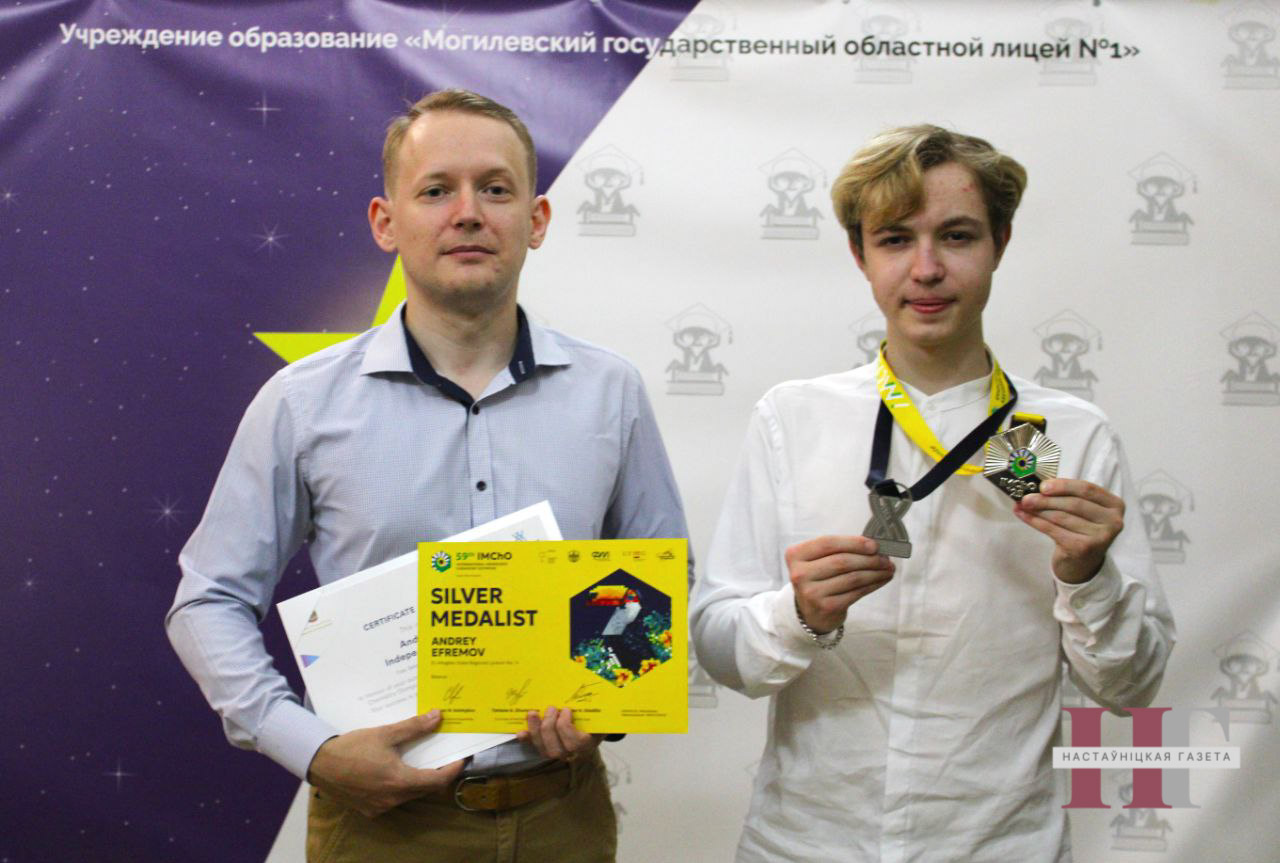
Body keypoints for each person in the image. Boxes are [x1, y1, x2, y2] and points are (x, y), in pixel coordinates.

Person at [166, 89, 689, 861]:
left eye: (496, 189)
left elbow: (661, 578)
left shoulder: (611, 392)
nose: (468, 213)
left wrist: (606, 702)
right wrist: (313, 749)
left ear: (537, 219)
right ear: (386, 221)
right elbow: (208, 599)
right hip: (379, 830)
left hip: (564, 818)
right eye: (437, 190)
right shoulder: (303, 403)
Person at [690, 125, 1174, 862]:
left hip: (1002, 848)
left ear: (1000, 244)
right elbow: (719, 650)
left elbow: (1132, 687)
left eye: (956, 236)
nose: (926, 269)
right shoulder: (793, 418)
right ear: (859, 255)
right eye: (894, 239)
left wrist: (1089, 575)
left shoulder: (1070, 437)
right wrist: (797, 615)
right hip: (807, 845)